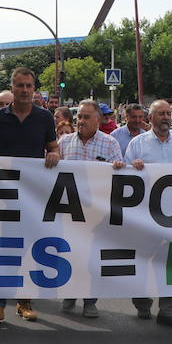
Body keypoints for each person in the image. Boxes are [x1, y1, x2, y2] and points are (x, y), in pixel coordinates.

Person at [0, 67, 59, 326]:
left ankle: (24, 302)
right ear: (12, 87)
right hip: (3, 194)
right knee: (1, 249)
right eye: (19, 85)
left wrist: (54, 154)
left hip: (33, 197)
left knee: (29, 248)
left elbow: (52, 147)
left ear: (34, 88)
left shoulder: (45, 118)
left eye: (28, 86)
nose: (24, 90)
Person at [122, 99, 172, 330]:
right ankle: (142, 302)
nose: (166, 117)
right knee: (144, 261)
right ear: (149, 118)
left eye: (168, 113)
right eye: (161, 113)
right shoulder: (137, 144)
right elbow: (122, 176)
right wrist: (134, 167)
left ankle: (169, 312)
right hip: (144, 216)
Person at [57, 101, 124, 318]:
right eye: (79, 117)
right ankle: (70, 293)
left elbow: (120, 177)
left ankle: (90, 300)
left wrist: (118, 169)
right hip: (69, 212)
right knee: (71, 254)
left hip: (97, 213)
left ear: (98, 120)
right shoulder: (64, 142)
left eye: (86, 117)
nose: (81, 121)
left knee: (93, 257)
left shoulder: (110, 144)